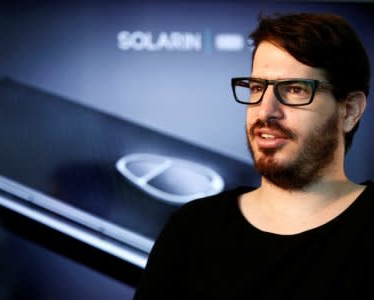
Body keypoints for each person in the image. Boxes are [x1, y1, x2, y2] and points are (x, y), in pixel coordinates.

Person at [133, 12, 372, 299]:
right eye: (257, 88)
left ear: (350, 110)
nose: (264, 111)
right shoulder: (193, 228)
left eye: (294, 90)